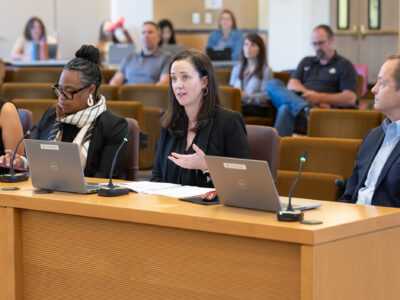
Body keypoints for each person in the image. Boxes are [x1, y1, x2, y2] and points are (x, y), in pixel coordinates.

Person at [1, 45, 128, 179]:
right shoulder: (51, 115)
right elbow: (37, 160)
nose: (61, 96)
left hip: (89, 199)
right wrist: (22, 162)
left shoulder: (115, 127)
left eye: (69, 91)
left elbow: (106, 179)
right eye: (59, 89)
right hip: (46, 194)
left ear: (91, 90)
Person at [151, 50, 250, 187]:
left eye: (185, 77)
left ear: (204, 82)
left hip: (212, 207)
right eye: (174, 78)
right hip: (171, 207)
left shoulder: (229, 122)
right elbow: (157, 177)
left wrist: (207, 167)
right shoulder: (169, 124)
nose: (178, 85)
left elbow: (243, 182)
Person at [267, 24, 358, 136]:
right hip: (304, 111)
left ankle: (275, 151)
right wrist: (309, 97)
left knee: (285, 108)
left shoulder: (344, 65)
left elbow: (350, 98)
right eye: (314, 44)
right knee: (273, 84)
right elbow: (292, 84)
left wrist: (318, 97)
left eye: (321, 43)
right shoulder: (306, 61)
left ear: (331, 40)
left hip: (323, 113)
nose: (317, 48)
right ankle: (305, 108)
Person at [340, 55, 400, 207]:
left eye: (382, 83)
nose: (374, 89)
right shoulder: (373, 136)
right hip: (354, 221)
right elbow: (349, 195)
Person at [109, 21, 170, 86]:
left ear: (159, 38)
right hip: (126, 95)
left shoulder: (166, 58)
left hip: (151, 94)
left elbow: (164, 83)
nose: (146, 35)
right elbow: (116, 80)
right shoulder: (130, 57)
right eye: (143, 32)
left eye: (150, 32)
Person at [229, 33, 273, 117]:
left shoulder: (266, 70)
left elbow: (266, 97)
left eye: (252, 45)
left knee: (232, 114)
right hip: (237, 106)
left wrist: (246, 96)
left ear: (260, 49)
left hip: (256, 108)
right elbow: (230, 90)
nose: (248, 48)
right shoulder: (236, 69)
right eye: (246, 44)